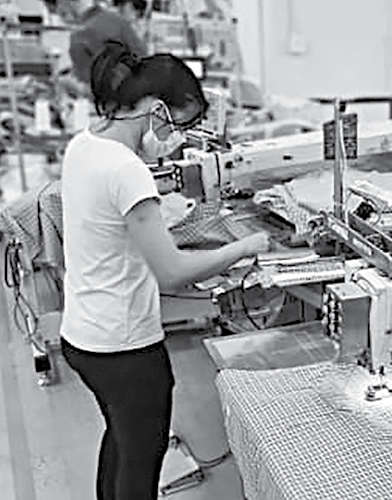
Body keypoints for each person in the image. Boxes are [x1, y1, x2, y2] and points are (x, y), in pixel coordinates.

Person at [60, 41, 269, 500]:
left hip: (82, 335)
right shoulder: (126, 169)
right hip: (124, 348)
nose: (177, 139)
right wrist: (245, 247)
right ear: (156, 110)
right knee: (140, 461)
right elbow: (172, 271)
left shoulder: (84, 144)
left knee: (120, 439)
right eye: (179, 126)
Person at [68, 0, 149, 86]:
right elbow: (142, 54)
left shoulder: (78, 32)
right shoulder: (119, 23)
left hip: (95, 84)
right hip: (118, 84)